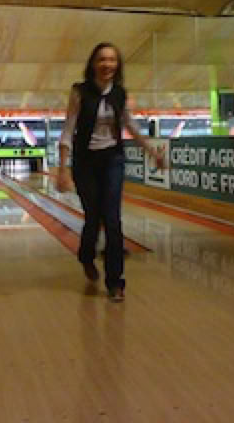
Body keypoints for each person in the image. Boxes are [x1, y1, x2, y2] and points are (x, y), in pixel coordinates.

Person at [57, 42, 164, 301]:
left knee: (113, 219)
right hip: (85, 162)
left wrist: (152, 152)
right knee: (93, 217)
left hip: (112, 159)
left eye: (112, 60)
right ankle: (86, 256)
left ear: (118, 65)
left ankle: (115, 283)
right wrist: (63, 169)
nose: (107, 64)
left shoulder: (119, 93)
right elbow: (69, 129)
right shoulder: (79, 92)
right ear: (93, 64)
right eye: (102, 59)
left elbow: (131, 126)